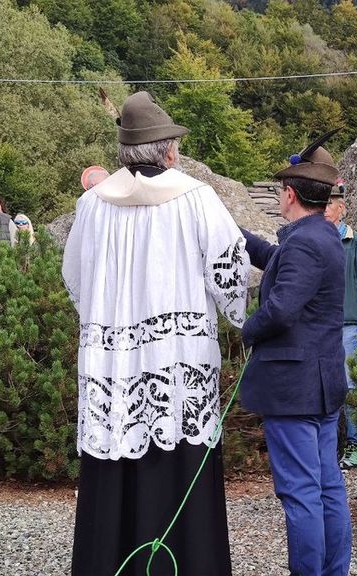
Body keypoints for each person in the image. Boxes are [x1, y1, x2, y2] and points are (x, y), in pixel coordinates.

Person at [62, 91, 248, 576]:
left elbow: (74, 276)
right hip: (179, 363)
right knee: (180, 467)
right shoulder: (197, 198)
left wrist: (110, 323)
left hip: (112, 365)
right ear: (168, 151)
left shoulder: (92, 204)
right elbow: (229, 271)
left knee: (113, 474)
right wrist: (236, 314)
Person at [239, 132, 352, 576]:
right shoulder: (321, 234)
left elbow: (281, 310)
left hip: (294, 389)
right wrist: (237, 236)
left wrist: (246, 330)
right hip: (320, 385)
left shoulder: (304, 241)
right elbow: (278, 259)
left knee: (302, 492)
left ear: (289, 194)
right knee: (327, 488)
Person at [324, 181, 357, 470]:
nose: (325, 209)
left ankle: (354, 444)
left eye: (330, 203)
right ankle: (328, 449)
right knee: (325, 387)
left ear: (341, 208)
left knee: (350, 387)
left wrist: (353, 309)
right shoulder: (317, 240)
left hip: (349, 326)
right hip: (322, 326)